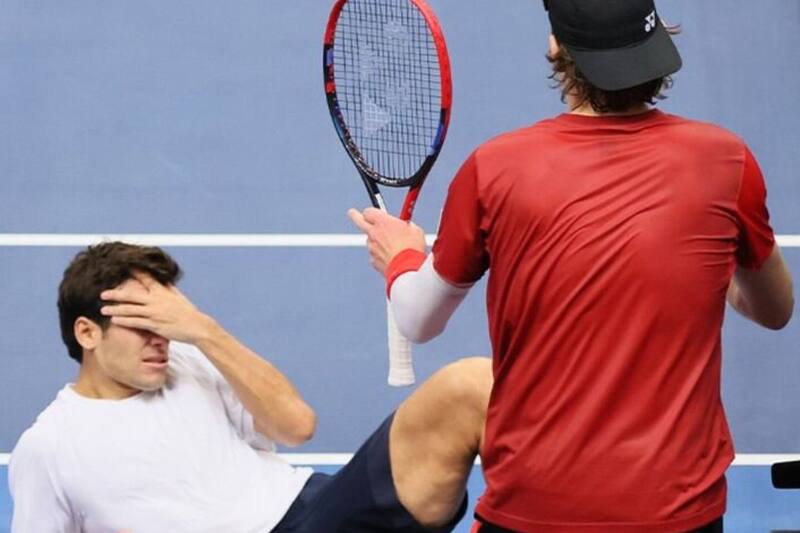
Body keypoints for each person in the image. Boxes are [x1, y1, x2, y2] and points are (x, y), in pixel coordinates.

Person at [348, 0, 795, 531]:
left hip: (532, 513)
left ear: (558, 48)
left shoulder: (495, 167)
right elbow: (775, 309)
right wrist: (695, 251)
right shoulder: (727, 162)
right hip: (678, 516)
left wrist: (400, 256)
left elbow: (419, 320)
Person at [9, 241, 493, 533]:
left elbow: (297, 426)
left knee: (473, 386)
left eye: (166, 320)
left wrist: (203, 330)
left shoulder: (192, 355)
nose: (161, 339)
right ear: (87, 333)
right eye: (143, 324)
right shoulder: (49, 447)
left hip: (316, 509)